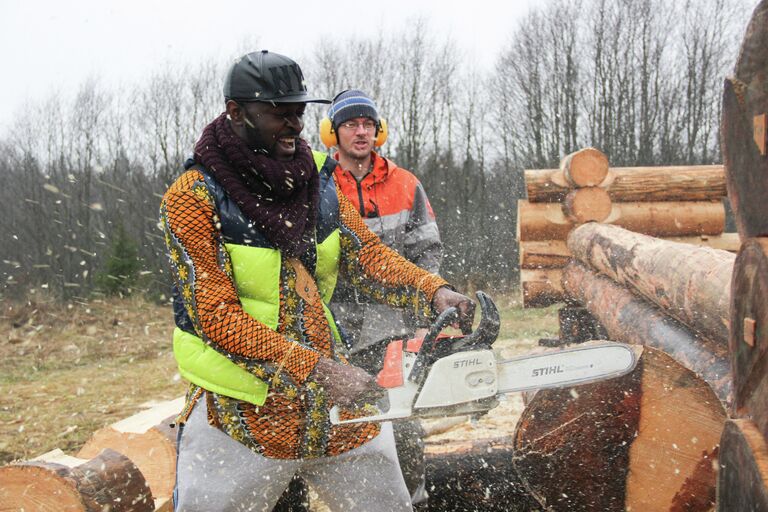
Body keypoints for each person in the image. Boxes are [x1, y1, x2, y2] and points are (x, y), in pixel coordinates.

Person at [160, 50, 474, 512]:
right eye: (278, 114)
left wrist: (434, 290)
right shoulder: (193, 197)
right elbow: (216, 318)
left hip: (333, 407)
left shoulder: (317, 182)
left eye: (298, 113)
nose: (294, 125)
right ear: (235, 111)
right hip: (242, 410)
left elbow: (367, 255)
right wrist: (317, 370)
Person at [322, 89, 442, 505]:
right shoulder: (318, 185)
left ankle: (414, 500)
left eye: (368, 125)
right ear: (332, 133)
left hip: (393, 325)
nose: (361, 132)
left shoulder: (405, 184)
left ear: (379, 131)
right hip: (332, 326)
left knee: (401, 420)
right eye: (351, 125)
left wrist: (428, 299)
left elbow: (426, 250)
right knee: (338, 422)